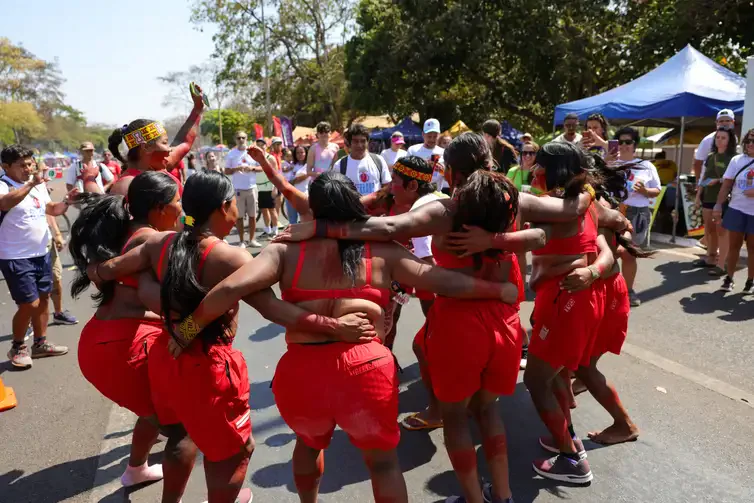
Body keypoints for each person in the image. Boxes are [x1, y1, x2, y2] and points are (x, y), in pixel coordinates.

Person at [175, 171, 520, 503]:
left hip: (302, 372)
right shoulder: (382, 251)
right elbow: (442, 281)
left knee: (308, 445)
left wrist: (184, 332)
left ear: (315, 211)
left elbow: (230, 288)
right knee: (384, 463)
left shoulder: (284, 249)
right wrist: (499, 289)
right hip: (367, 369)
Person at [85, 170, 378, 503]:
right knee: (234, 452)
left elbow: (110, 270)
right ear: (225, 207)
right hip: (210, 365)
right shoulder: (231, 257)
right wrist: (335, 326)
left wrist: (97, 270)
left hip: (167, 359)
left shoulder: (158, 243)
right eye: (234, 203)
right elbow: (273, 309)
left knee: (183, 434)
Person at [69, 172, 189, 499]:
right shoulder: (151, 240)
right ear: (160, 207)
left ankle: (136, 468)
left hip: (105, 340)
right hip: (123, 348)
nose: (182, 208)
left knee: (154, 410)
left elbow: (187, 224)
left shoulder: (131, 229)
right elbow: (163, 300)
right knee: (183, 431)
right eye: (178, 201)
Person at [523, 141, 616, 485]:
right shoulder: (584, 204)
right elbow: (606, 248)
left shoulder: (558, 207)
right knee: (557, 374)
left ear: (551, 170)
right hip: (570, 302)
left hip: (566, 305)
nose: (533, 170)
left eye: (538, 164)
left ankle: (571, 460)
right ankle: (567, 437)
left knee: (535, 379)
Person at [0, 145, 75, 369]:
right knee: (29, 303)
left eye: (30, 163)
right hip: (15, 255)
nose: (28, 168)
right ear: (5, 167)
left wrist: (68, 201)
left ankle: (40, 344)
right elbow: (4, 203)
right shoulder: (4, 185)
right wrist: (31, 183)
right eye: (22, 165)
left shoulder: (37, 186)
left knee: (43, 298)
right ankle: (17, 346)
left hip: (41, 252)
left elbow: (50, 208)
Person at [108, 83, 205, 197]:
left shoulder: (158, 166)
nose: (169, 149)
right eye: (164, 143)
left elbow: (184, 142)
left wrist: (198, 108)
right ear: (146, 147)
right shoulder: (126, 187)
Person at [614, 126, 662, 306]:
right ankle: (610, 288)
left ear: (635, 144)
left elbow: (656, 190)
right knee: (610, 252)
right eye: (621, 142)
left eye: (628, 142)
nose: (624, 145)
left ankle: (627, 290)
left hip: (637, 214)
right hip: (615, 212)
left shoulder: (646, 166)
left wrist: (644, 190)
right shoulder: (611, 163)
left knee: (629, 255)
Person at [715, 127, 754, 294]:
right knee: (734, 246)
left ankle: (750, 281)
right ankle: (729, 278)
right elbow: (726, 186)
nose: (751, 144)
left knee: (753, 248)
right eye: (749, 140)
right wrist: (718, 205)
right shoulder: (737, 160)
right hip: (736, 208)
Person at [694, 128, 737, 275]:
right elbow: (703, 178)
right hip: (708, 197)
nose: (719, 140)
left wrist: (718, 180)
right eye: (718, 137)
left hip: (725, 199)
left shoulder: (734, 158)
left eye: (723, 138)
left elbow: (734, 179)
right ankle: (710, 258)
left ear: (729, 140)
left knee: (722, 232)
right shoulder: (710, 156)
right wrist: (698, 195)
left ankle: (721, 263)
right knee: (709, 229)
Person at [225, 131, 262, 248]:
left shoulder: (252, 152)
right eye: (238, 138)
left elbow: (261, 167)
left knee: (252, 216)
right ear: (235, 140)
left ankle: (252, 239)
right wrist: (237, 168)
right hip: (238, 189)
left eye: (243, 138)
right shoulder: (231, 154)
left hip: (251, 188)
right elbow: (226, 171)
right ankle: (242, 241)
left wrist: (252, 168)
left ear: (247, 139)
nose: (241, 140)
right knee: (239, 217)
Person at [335, 124, 391, 196]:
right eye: (355, 141)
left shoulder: (379, 160)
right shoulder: (339, 165)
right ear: (349, 143)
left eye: (363, 141)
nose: (359, 145)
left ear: (368, 142)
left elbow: (387, 186)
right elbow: (337, 193)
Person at [693, 109, 736, 179]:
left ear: (733, 122)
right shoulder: (708, 140)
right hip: (707, 183)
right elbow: (697, 163)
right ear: (716, 123)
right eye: (721, 121)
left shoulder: (735, 138)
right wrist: (698, 182)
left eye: (728, 121)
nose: (724, 123)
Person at [408, 118, 448, 193]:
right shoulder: (412, 150)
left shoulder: (444, 153)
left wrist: (442, 170)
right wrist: (423, 166)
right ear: (423, 134)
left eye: (435, 136)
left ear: (439, 135)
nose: (432, 139)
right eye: (429, 136)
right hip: (416, 193)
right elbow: (405, 173)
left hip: (436, 194)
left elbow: (448, 178)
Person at [255, 138, 280, 239]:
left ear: (266, 146)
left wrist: (275, 187)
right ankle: (267, 230)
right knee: (264, 210)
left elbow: (276, 174)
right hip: (260, 188)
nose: (261, 147)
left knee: (272, 210)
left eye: (262, 144)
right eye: (258, 145)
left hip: (270, 186)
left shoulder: (270, 158)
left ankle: (275, 230)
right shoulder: (255, 158)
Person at [285, 146, 310, 225]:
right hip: (290, 196)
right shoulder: (292, 165)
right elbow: (284, 175)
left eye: (302, 152)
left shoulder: (309, 166)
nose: (300, 155)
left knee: (305, 221)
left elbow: (303, 177)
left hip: (302, 195)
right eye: (297, 153)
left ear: (306, 153)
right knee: (292, 222)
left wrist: (290, 182)